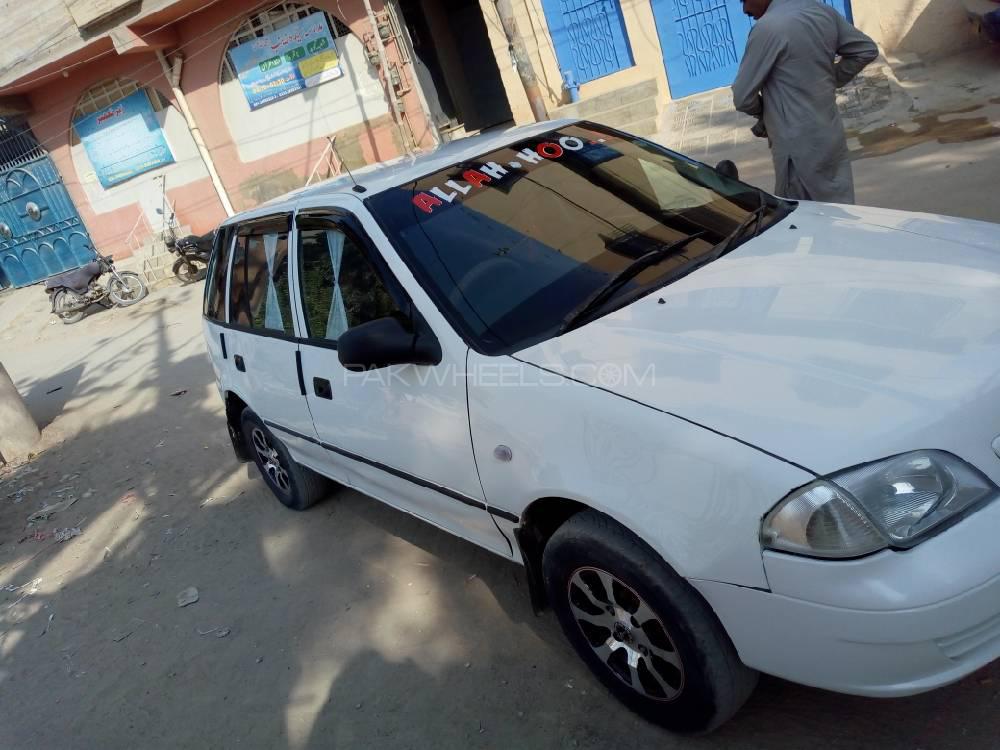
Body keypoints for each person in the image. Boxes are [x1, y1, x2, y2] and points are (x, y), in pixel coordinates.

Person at [732, 0, 878, 203]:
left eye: (745, 0)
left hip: (797, 149)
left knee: (805, 220)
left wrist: (765, 112)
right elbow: (866, 50)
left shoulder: (767, 28)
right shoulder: (822, 11)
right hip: (830, 135)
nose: (745, 10)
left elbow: (741, 97)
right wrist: (828, 82)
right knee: (842, 211)